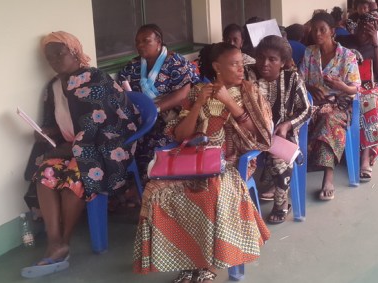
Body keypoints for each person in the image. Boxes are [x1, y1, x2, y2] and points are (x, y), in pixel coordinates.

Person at [133, 43, 273, 283]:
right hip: (194, 161)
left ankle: (208, 264)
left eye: (242, 63)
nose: (241, 68)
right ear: (217, 67)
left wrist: (229, 101)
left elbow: (262, 135)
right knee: (155, 191)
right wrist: (198, 105)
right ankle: (188, 261)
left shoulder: (250, 91)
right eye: (234, 63)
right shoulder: (198, 92)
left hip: (231, 163)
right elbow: (179, 135)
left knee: (211, 192)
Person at [21, 31, 139, 278]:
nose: (53, 59)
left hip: (104, 146)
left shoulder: (95, 79)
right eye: (48, 56)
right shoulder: (52, 87)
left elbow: (103, 123)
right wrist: (45, 132)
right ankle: (54, 243)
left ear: (75, 52)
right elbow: (51, 121)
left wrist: (72, 146)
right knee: (45, 173)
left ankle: (64, 242)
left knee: (74, 177)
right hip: (69, 147)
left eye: (59, 53)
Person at [116, 24, 199, 180]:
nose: (140, 45)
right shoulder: (132, 66)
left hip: (170, 118)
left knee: (157, 144)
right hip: (141, 118)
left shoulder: (175, 62)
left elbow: (184, 93)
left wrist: (155, 108)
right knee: (122, 143)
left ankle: (154, 187)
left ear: (159, 41)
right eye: (137, 42)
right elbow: (124, 93)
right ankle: (132, 187)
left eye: (146, 41)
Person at [245, 35, 311, 224]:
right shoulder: (248, 74)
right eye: (261, 57)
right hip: (251, 132)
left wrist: (287, 124)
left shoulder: (292, 79)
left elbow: (306, 109)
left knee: (280, 157)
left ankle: (281, 203)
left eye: (272, 59)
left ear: (282, 62)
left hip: (279, 134)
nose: (264, 63)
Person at [299, 11, 360, 201]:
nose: (317, 34)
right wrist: (310, 87)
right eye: (314, 30)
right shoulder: (310, 52)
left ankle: (328, 175)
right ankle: (284, 175)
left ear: (332, 31)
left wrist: (341, 86)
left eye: (322, 30)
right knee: (294, 119)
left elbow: (355, 89)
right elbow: (299, 80)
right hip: (314, 103)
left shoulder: (347, 56)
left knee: (328, 120)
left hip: (339, 105)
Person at [337, 12, 378, 171]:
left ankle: (365, 157)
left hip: (368, 88)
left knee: (370, 105)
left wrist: (375, 43)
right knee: (363, 104)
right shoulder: (343, 41)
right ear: (356, 27)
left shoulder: (377, 46)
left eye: (368, 30)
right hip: (343, 86)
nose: (363, 33)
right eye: (361, 28)